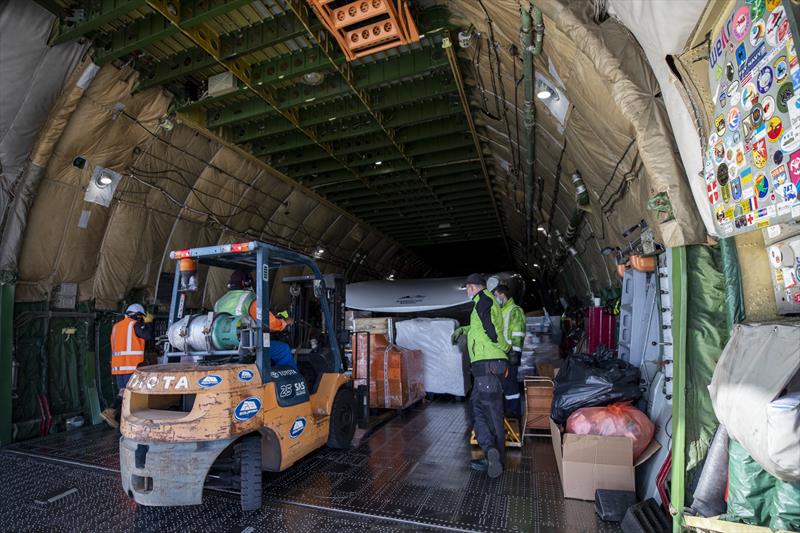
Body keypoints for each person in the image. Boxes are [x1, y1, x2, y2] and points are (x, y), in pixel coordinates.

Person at [451, 273, 509, 478]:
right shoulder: (481, 302)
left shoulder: (483, 300)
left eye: (467, 287)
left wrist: (502, 346)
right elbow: (479, 329)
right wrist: (464, 330)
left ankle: (498, 460)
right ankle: (490, 451)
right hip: (484, 366)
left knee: (492, 413)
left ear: (473, 287)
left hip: (489, 364)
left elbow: (490, 329)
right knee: (477, 407)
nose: (466, 291)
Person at [216, 270, 297, 369]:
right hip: (248, 345)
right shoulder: (249, 299)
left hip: (225, 346)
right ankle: (290, 379)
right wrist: (284, 322)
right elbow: (270, 323)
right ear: (246, 283)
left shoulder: (219, 302)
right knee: (283, 349)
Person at [101, 303, 153, 428]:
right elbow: (148, 336)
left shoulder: (116, 327)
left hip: (119, 368)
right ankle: (131, 422)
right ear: (138, 316)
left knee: (123, 392)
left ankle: (111, 412)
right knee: (133, 395)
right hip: (131, 366)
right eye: (141, 317)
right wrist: (149, 323)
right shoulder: (134, 325)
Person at [492, 284, 525, 419]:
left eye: (495, 295)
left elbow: (518, 333)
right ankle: (508, 409)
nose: (495, 299)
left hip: (511, 354)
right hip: (503, 354)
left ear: (502, 295)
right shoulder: (503, 311)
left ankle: (514, 411)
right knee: (506, 383)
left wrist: (514, 353)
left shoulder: (514, 310)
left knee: (510, 383)